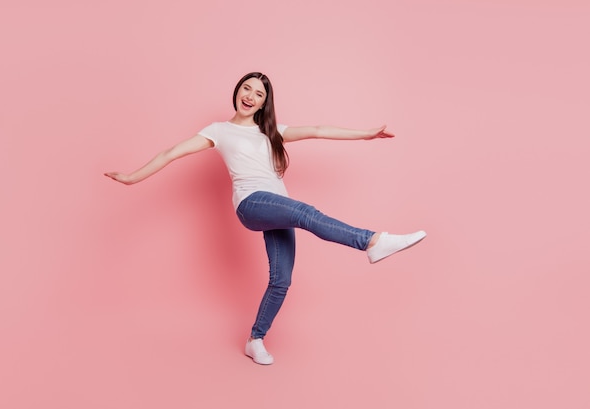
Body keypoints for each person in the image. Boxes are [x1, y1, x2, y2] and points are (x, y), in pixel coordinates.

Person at [105, 72, 426, 365]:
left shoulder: (271, 132)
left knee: (281, 280)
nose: (250, 96)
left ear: (263, 103)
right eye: (246, 88)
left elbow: (317, 130)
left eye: (258, 94)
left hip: (278, 208)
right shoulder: (218, 130)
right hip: (251, 204)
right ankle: (372, 241)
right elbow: (171, 152)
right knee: (305, 212)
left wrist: (365, 134)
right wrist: (133, 177)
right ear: (237, 92)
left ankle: (255, 339)